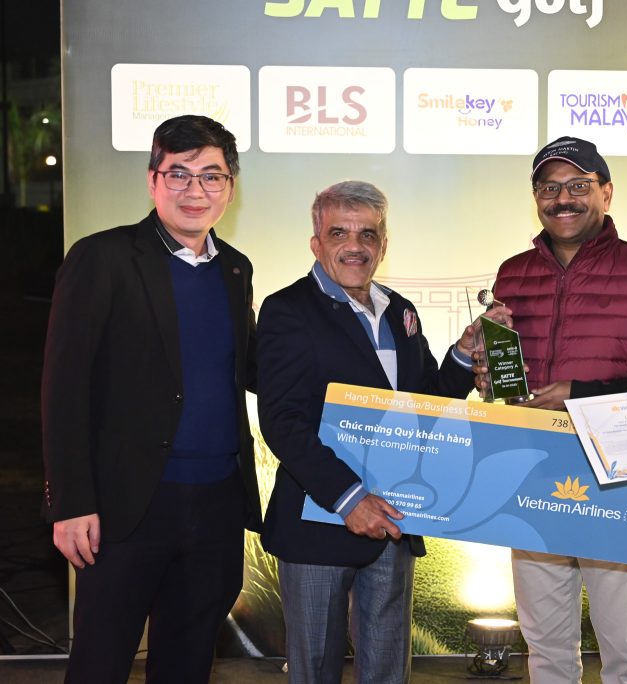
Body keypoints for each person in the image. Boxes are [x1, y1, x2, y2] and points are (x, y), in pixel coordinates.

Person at [256, 180, 506, 684]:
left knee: (389, 669)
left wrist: (462, 354)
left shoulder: (400, 311)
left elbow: (426, 404)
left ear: (384, 245)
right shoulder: (286, 309)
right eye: (339, 233)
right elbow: (282, 421)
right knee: (314, 671)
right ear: (316, 243)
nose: (355, 246)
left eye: (367, 234)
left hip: (394, 516)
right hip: (319, 518)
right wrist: (349, 499)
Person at [41, 115, 261, 683]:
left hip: (217, 503)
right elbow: (64, 388)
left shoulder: (235, 268)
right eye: (178, 174)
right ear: (152, 179)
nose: (195, 190)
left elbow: (251, 368)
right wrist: (70, 501)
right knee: (101, 662)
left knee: (188, 664)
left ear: (230, 187)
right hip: (126, 506)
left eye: (211, 176)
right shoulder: (103, 258)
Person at [478, 136, 627, 683]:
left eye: (578, 185)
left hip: (617, 473)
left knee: (626, 644)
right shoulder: (511, 274)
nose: (563, 199)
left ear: (606, 192)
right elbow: (505, 376)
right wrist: (489, 379)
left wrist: (580, 393)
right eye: (548, 188)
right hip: (533, 468)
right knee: (545, 644)